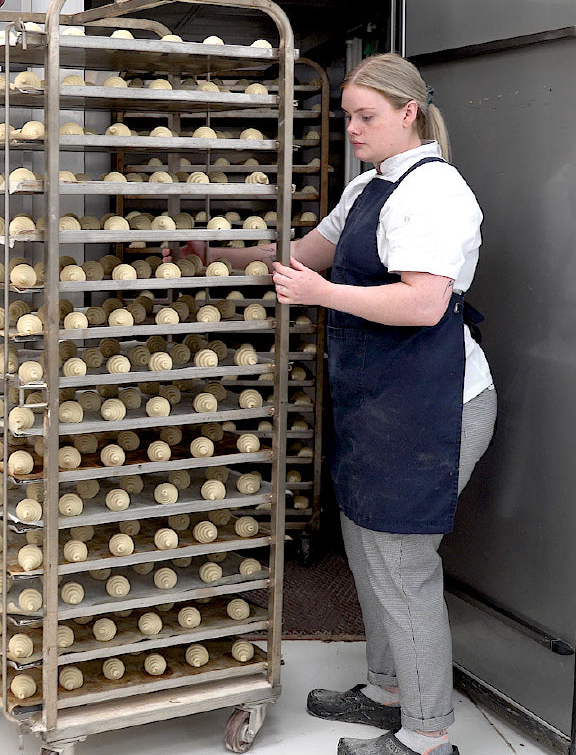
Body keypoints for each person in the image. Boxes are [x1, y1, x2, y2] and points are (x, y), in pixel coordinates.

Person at [183, 52, 496, 755]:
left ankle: (428, 735)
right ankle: (388, 690)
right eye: (347, 116)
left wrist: (321, 298)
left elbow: (423, 303)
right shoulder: (369, 189)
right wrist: (213, 254)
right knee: (365, 547)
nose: (351, 128)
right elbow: (302, 253)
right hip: (383, 401)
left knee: (402, 564)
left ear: (408, 113)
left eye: (366, 116)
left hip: (435, 406)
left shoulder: (435, 192)